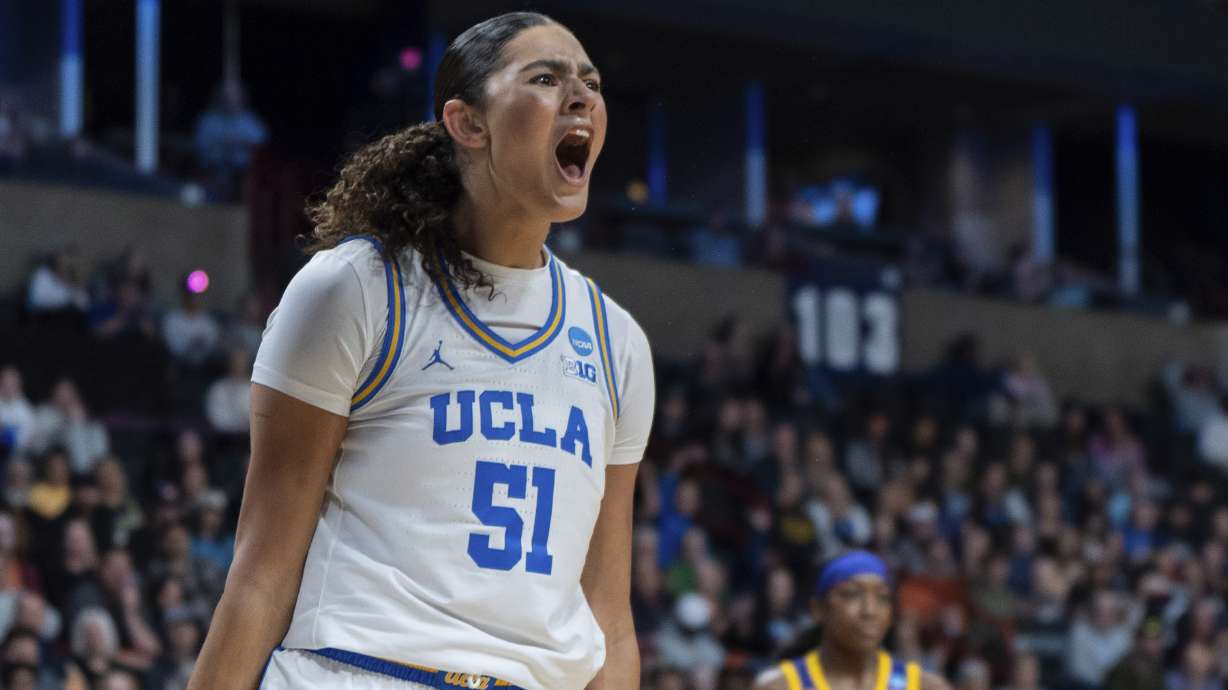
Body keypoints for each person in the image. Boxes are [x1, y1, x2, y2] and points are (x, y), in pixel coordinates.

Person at [189, 12, 653, 690]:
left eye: (590, 82)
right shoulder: (355, 289)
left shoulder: (618, 345)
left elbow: (609, 618)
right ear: (467, 123)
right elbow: (261, 573)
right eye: (546, 79)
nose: (581, 96)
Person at [753, 551, 951, 690]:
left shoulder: (925, 686)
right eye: (852, 594)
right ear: (819, 610)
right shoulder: (779, 686)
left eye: (882, 597)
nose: (869, 610)